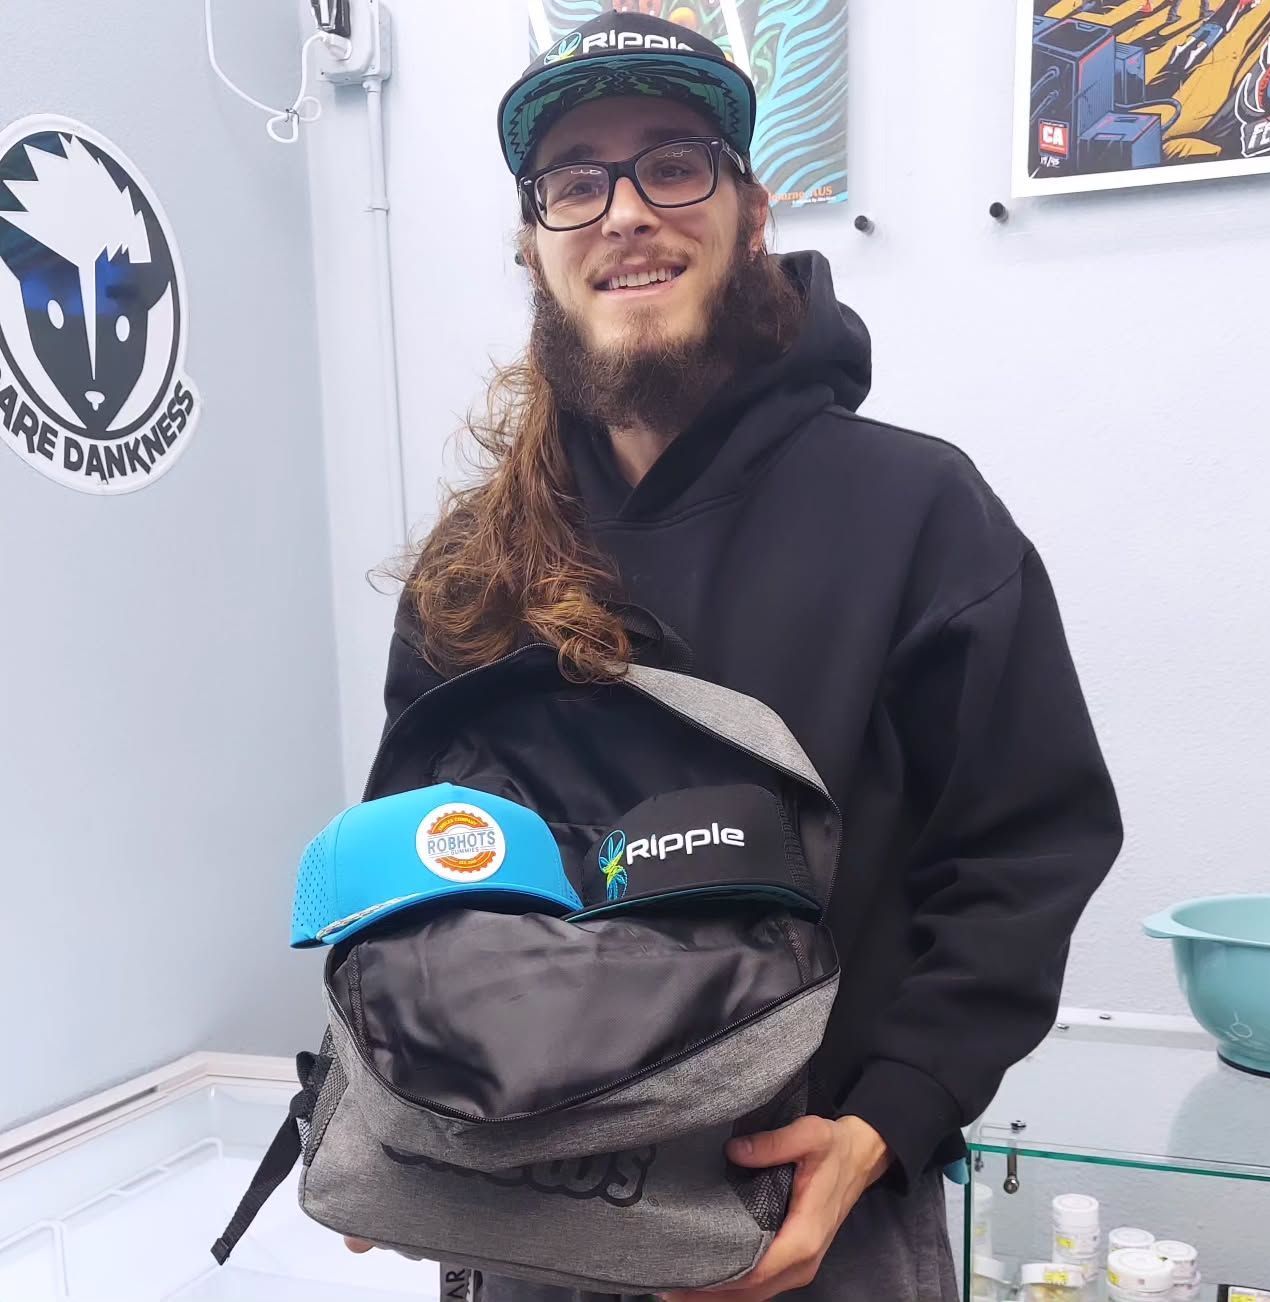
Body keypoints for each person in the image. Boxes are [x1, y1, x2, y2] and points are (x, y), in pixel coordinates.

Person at [348, 10, 1124, 1301]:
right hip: (521, 1223)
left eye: (672, 159)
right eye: (574, 178)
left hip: (809, 1222)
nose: (623, 209)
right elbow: (420, 877)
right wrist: (388, 1091)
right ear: (536, 244)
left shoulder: (918, 515)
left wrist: (884, 1121)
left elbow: (1022, 853)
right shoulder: (474, 567)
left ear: (750, 214)